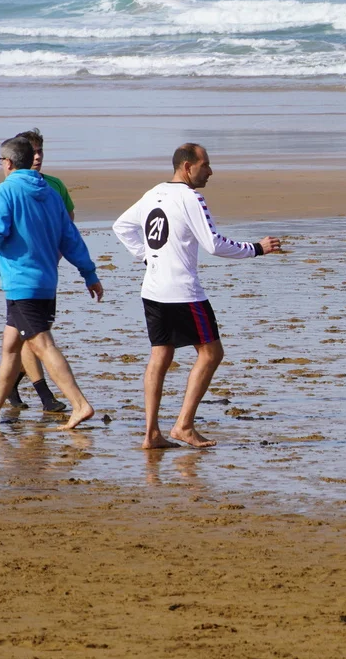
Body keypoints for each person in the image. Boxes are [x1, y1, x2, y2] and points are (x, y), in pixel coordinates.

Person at [112, 143, 281, 449]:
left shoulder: (153, 193)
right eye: (206, 165)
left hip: (152, 290)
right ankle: (183, 426)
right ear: (188, 167)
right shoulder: (191, 197)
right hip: (183, 293)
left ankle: (151, 434)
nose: (210, 171)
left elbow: (122, 226)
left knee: (160, 356)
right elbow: (214, 244)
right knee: (211, 353)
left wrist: (147, 257)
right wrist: (257, 248)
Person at [0, 136, 103, 429]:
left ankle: (80, 404)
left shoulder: (4, 191)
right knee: (11, 347)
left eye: (1, 161)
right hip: (45, 282)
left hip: (22, 283)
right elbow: (71, 238)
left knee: (42, 344)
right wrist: (89, 273)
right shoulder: (51, 193)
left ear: (8, 162)